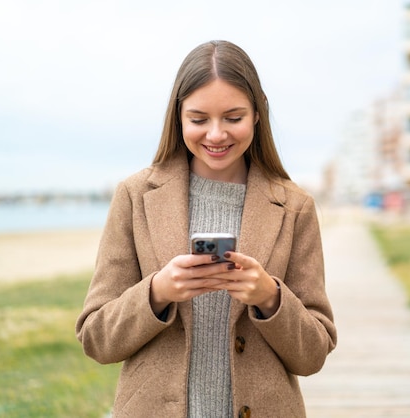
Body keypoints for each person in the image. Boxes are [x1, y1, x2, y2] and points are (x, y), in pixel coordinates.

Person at [76, 40, 337, 418]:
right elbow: (95, 339)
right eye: (199, 119)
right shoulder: (134, 196)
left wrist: (269, 296)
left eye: (233, 118)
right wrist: (157, 292)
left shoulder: (295, 207)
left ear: (258, 114)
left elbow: (314, 354)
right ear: (178, 116)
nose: (216, 135)